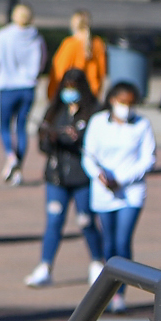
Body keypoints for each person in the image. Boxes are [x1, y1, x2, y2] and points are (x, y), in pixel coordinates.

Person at [84, 80, 155, 313]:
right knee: (109, 242)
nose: (127, 107)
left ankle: (120, 293)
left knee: (123, 241)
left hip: (130, 192)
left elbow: (148, 159)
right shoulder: (97, 122)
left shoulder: (142, 125)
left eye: (131, 103)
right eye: (123, 102)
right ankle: (109, 286)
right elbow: (88, 156)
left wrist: (122, 180)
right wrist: (100, 176)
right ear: (112, 100)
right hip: (104, 192)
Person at [28, 72, 104, 288]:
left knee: (86, 220)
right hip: (57, 176)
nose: (69, 93)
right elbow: (42, 144)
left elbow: (98, 143)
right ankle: (45, 266)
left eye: (74, 88)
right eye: (66, 87)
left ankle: (97, 261)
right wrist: (50, 138)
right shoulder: (55, 111)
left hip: (82, 177)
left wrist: (77, 139)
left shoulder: (94, 112)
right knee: (54, 220)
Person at [0, 3, 44, 184]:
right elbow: (40, 63)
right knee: (21, 127)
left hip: (7, 86)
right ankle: (17, 167)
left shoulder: (1, 36)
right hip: (27, 87)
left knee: (5, 126)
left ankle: (10, 156)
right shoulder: (36, 39)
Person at [51, 10, 106, 97]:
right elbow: (102, 71)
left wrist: (53, 93)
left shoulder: (69, 44)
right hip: (92, 92)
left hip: (72, 92)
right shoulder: (98, 43)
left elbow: (59, 71)